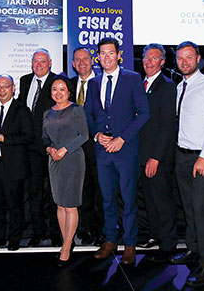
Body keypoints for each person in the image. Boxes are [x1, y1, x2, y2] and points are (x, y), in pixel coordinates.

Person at [84, 38, 150, 265]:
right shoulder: (94, 83)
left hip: (126, 150)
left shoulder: (133, 79)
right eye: (102, 54)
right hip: (102, 151)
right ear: (98, 57)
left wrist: (122, 138)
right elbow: (88, 115)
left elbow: (144, 114)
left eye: (110, 53)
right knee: (107, 199)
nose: (106, 57)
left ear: (118, 55)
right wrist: (96, 135)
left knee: (129, 199)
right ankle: (110, 240)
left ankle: (130, 244)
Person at [170, 41, 204, 288]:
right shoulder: (181, 86)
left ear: (198, 58)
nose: (184, 62)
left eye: (189, 57)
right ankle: (193, 251)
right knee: (189, 208)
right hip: (182, 155)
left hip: (202, 157)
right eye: (180, 58)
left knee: (200, 211)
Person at [0, 74, 34, 251]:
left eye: (5, 86)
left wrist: (5, 138)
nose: (1, 90)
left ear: (13, 88)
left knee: (15, 205)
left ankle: (14, 239)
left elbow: (28, 136)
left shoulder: (22, 110)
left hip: (13, 165)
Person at [138, 44, 178, 262]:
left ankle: (169, 244)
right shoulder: (140, 84)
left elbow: (166, 126)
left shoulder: (167, 86)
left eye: (154, 58)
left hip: (157, 157)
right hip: (141, 155)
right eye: (146, 57)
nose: (149, 62)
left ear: (163, 62)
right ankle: (155, 236)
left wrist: (156, 157)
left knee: (162, 201)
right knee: (150, 200)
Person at [42, 75, 88, 266]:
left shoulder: (76, 110)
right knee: (60, 204)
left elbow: (84, 135)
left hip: (72, 159)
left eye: (62, 89)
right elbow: (44, 138)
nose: (58, 93)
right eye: (54, 89)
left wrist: (64, 149)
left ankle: (67, 247)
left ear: (69, 91)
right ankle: (65, 241)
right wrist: (50, 149)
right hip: (54, 160)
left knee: (70, 205)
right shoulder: (47, 113)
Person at [18, 49, 60, 247]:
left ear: (50, 62)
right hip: (31, 148)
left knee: (54, 193)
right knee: (34, 191)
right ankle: (37, 231)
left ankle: (55, 233)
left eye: (42, 61)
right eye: (35, 61)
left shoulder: (58, 82)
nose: (39, 65)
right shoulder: (25, 80)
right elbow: (20, 107)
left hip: (52, 146)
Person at [69, 47, 103, 245]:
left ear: (92, 61)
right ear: (73, 64)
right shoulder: (69, 84)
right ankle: (84, 229)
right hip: (75, 147)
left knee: (100, 191)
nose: (81, 63)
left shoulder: (102, 83)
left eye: (85, 59)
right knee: (81, 190)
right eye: (77, 60)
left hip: (97, 145)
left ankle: (100, 231)